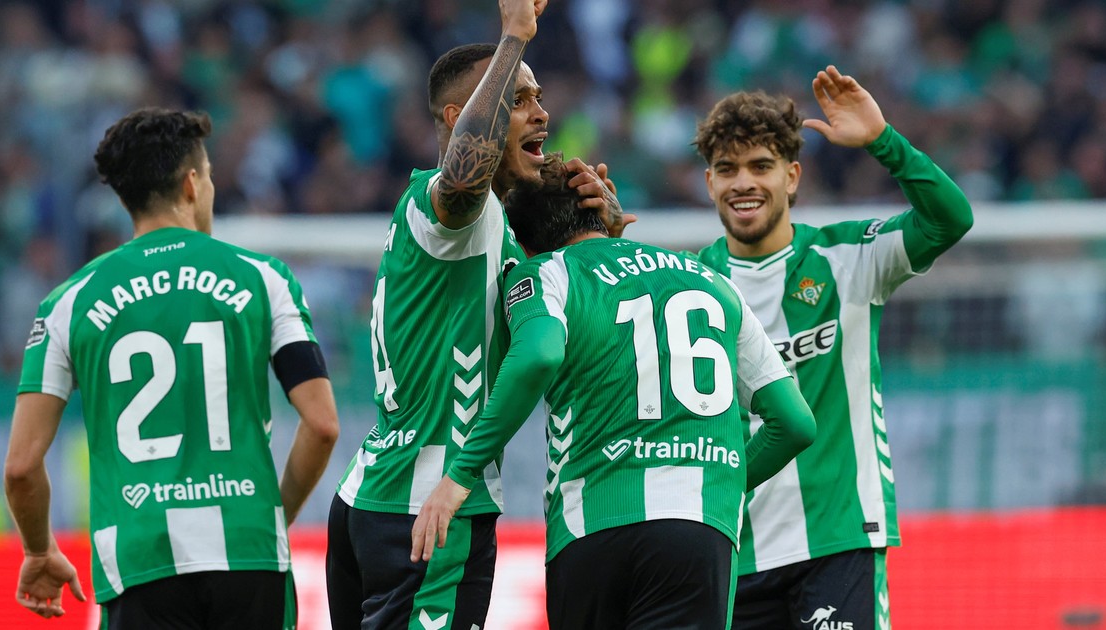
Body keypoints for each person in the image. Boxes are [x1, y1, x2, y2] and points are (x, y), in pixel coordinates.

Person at [410, 154, 817, 629]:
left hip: (590, 526)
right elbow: (795, 424)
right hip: (697, 531)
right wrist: (707, 485)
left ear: (522, 242)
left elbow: (538, 354)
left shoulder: (546, 271)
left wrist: (461, 474)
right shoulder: (712, 281)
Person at [326, 1, 625, 627]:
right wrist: (513, 36)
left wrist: (604, 238)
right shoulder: (452, 208)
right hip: (430, 507)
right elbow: (463, 179)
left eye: (539, 97)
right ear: (460, 119)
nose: (541, 113)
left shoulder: (495, 236)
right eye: (519, 100)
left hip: (376, 492)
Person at [3, 107, 340, 627]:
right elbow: (322, 424)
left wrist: (39, 550)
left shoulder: (67, 303)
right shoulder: (264, 279)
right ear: (191, 183)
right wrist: (274, 513)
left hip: (140, 558)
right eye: (209, 178)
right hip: (248, 549)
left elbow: (21, 466)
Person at [694, 66, 974, 629]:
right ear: (709, 183)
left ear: (792, 176)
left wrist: (883, 141)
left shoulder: (848, 259)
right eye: (727, 169)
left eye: (760, 166)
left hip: (837, 540)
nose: (743, 183)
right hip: (733, 552)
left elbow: (950, 220)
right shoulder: (690, 288)